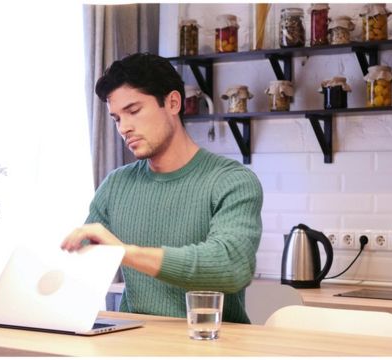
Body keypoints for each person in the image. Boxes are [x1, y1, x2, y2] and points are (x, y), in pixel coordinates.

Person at [61, 53, 263, 324]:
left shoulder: (232, 181)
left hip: (211, 345)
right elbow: (82, 267)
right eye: (116, 118)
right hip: (133, 344)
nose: (124, 128)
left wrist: (125, 252)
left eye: (133, 111)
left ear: (173, 103)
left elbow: (231, 266)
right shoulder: (116, 185)